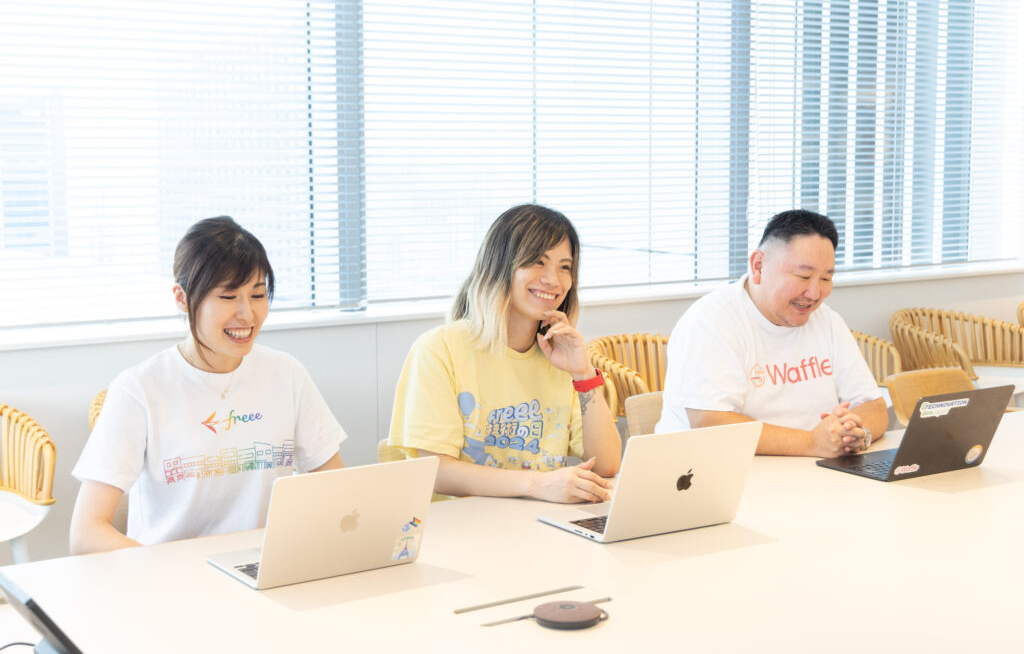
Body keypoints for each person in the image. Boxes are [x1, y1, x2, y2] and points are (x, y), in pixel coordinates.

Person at [70, 216, 346, 554]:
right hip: (167, 574)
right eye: (228, 296)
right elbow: (86, 534)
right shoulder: (139, 390)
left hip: (265, 567)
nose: (247, 314)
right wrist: (167, 569)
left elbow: (336, 491)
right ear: (182, 298)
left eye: (258, 295)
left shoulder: (286, 374)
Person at [388, 204, 622, 502]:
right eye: (537, 261)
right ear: (500, 265)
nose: (553, 280)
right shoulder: (438, 349)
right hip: (465, 523)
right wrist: (537, 484)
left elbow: (607, 464)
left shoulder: (560, 356)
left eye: (565, 267)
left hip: (539, 520)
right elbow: (436, 471)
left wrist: (583, 374)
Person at [655, 209, 887, 457]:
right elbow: (711, 424)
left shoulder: (827, 320)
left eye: (826, 279)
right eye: (803, 276)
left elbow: (874, 406)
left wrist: (852, 433)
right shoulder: (711, 321)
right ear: (758, 266)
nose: (814, 293)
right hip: (716, 471)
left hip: (811, 470)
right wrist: (812, 443)